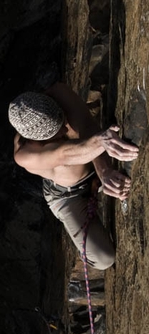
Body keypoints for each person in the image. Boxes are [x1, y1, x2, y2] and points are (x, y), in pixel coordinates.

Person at [8, 82, 139, 269]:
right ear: (35, 140)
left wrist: (104, 172)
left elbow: (87, 126)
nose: (63, 129)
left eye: (61, 120)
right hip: (68, 196)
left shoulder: (59, 93)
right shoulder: (25, 155)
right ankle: (80, 242)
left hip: (92, 168)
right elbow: (65, 154)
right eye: (55, 133)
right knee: (103, 259)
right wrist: (101, 143)